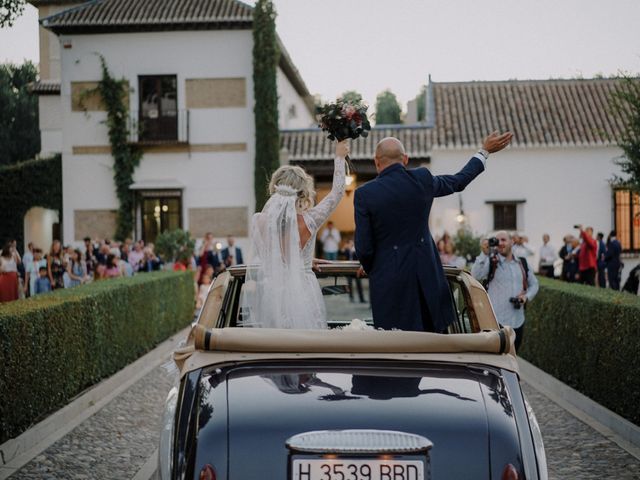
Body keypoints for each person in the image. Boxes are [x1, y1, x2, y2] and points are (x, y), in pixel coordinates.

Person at [354, 131, 513, 332]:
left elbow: (364, 248)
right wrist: (484, 151)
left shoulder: (364, 194)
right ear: (405, 159)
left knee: (394, 349)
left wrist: (371, 266)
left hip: (389, 287)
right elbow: (458, 181)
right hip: (427, 283)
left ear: (376, 162)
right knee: (435, 348)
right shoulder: (422, 179)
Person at [241, 140, 349, 329]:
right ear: (303, 192)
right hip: (304, 292)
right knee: (306, 345)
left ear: (274, 187)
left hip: (272, 296)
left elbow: (268, 257)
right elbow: (337, 192)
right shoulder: (310, 220)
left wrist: (299, 260)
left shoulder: (258, 221)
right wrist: (339, 156)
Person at [471, 231, 539, 350]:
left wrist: (526, 297)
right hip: (496, 323)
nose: (500, 243)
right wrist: (484, 254)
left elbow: (534, 284)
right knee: (497, 362)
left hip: (518, 321)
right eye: (497, 241)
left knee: (513, 359)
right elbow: (475, 275)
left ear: (512, 242)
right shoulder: (491, 261)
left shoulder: (522, 263)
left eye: (503, 240)